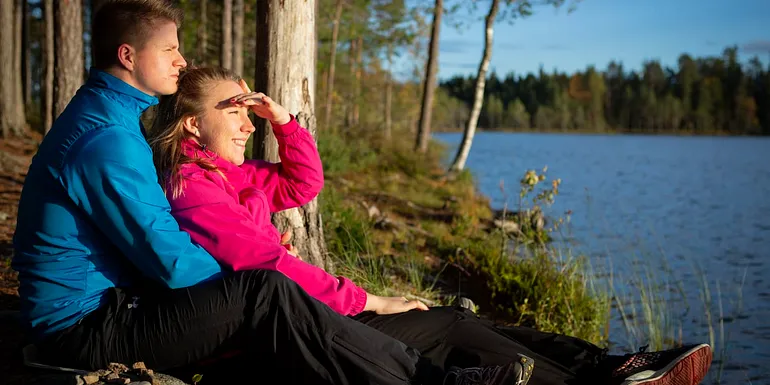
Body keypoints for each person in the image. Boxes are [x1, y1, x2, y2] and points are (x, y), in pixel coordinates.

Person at [11, 1, 532, 385]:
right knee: (262, 291)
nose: (181, 60)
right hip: (81, 330)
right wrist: (253, 273)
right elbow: (170, 261)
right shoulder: (105, 139)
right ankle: (429, 382)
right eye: (170, 48)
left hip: (112, 308)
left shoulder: (112, 121)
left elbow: (294, 186)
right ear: (128, 55)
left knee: (265, 292)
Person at [145, 65, 714, 385]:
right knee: (449, 331)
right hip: (280, 339)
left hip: (304, 316)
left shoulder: (237, 179)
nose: (247, 122)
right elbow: (269, 268)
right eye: (234, 110)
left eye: (249, 109)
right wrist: (371, 299)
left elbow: (303, 184)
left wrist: (286, 122)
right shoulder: (194, 189)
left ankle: (608, 365)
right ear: (193, 125)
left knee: (456, 321)